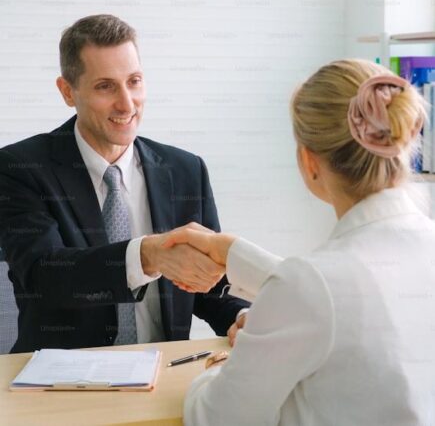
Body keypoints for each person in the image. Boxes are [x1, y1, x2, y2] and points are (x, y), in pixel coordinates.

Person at [165, 59, 435, 425]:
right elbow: (348, 297)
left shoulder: (311, 285)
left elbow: (214, 417)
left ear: (309, 161)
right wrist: (234, 253)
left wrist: (227, 366)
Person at [0, 14, 249, 353]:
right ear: (67, 91)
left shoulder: (185, 169)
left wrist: (239, 316)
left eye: (134, 81)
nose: (126, 103)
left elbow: (205, 286)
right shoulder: (20, 167)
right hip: (61, 382)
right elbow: (45, 278)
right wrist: (146, 256)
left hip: (161, 372)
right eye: (105, 86)